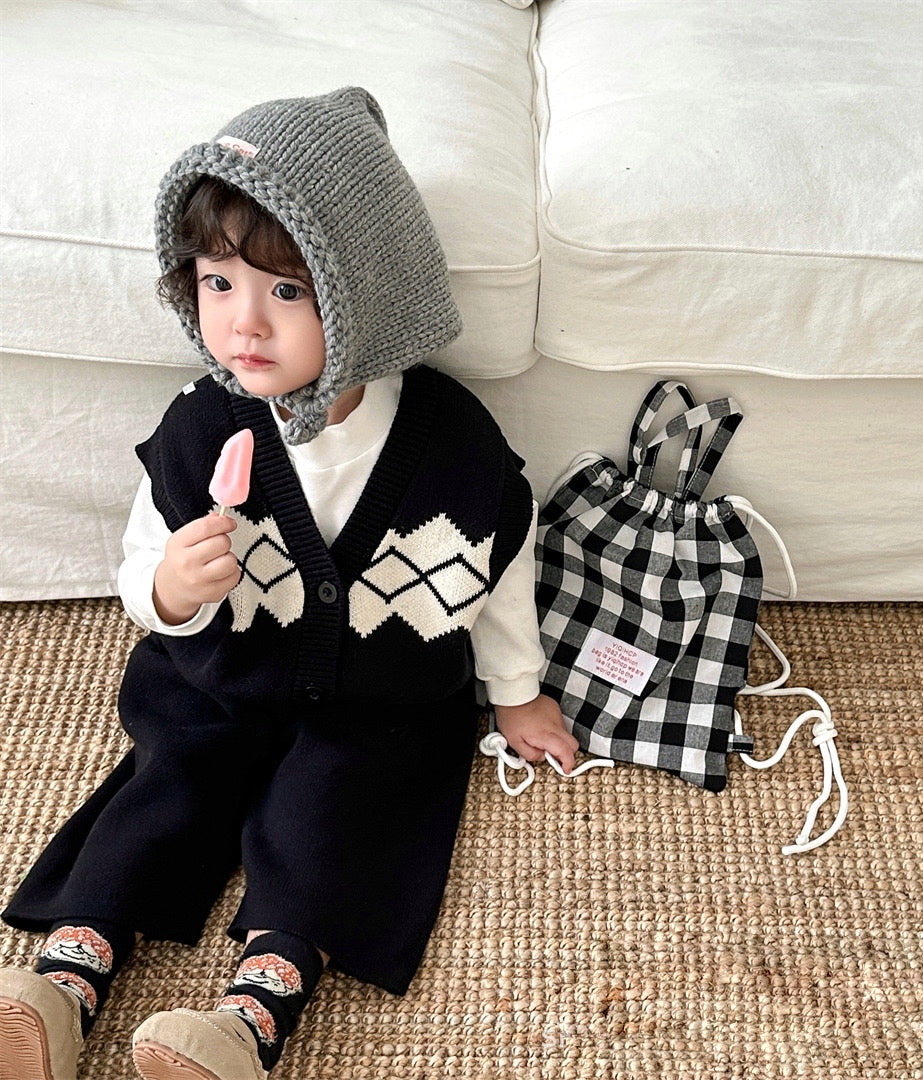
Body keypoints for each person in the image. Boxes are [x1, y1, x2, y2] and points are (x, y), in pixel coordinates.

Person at [0, 87, 577, 1080]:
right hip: (221, 677)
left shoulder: (451, 444)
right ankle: (64, 981)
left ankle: (247, 1021)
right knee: (165, 788)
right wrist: (173, 589)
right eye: (218, 284)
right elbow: (140, 569)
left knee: (338, 816)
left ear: (363, 300)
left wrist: (517, 689)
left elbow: (500, 562)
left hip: (378, 698)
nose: (245, 324)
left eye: (288, 292)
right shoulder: (199, 427)